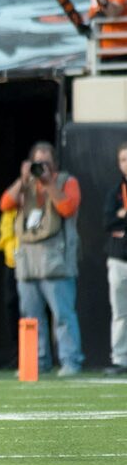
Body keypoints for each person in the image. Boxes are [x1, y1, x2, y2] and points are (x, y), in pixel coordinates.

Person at [0, 141, 83, 376]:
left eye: (46, 163)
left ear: (54, 163)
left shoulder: (67, 181)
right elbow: (5, 204)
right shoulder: (27, 185)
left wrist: (49, 184)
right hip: (27, 260)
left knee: (63, 315)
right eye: (38, 163)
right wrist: (22, 179)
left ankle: (70, 360)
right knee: (31, 315)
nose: (42, 167)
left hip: (56, 260)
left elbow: (67, 208)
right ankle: (37, 361)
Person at [103, 142, 127, 375]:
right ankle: (120, 359)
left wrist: (122, 218)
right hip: (119, 259)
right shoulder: (115, 192)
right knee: (120, 312)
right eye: (123, 160)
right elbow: (108, 222)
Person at [0, 208, 20, 367]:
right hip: (12, 262)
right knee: (12, 307)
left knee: (32, 311)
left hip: (35, 261)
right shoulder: (11, 209)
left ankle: (40, 356)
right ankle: (18, 355)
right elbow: (4, 201)